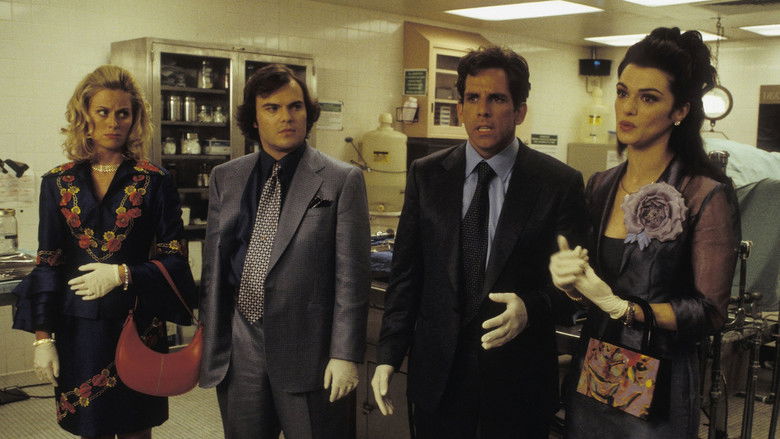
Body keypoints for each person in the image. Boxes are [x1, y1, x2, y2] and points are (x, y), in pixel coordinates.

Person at [371, 46, 588, 438]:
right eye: (472, 98)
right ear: (459, 109)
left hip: (517, 385)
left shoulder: (558, 183)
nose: (482, 111)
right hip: (438, 381)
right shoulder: (427, 175)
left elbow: (575, 289)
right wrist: (388, 355)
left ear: (520, 111)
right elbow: (406, 277)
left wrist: (531, 307)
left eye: (497, 99)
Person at [549, 27, 740, 438]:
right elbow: (599, 280)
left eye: (648, 98)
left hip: (660, 381)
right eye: (622, 92)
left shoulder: (703, 193)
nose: (628, 108)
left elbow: (710, 311)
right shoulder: (601, 185)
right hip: (598, 368)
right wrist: (573, 285)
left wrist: (625, 309)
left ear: (680, 110)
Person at [11, 65, 197, 439]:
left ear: (135, 118)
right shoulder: (57, 181)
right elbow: (48, 263)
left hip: (138, 325)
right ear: (85, 116)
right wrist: (43, 337)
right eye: (103, 111)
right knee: (91, 429)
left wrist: (123, 274)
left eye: (123, 113)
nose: (113, 122)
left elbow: (175, 260)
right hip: (77, 329)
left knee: (135, 428)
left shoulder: (154, 181)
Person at [198, 64, 370, 439]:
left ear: (308, 112)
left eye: (295, 106)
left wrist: (345, 354)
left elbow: (352, 279)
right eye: (272, 108)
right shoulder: (226, 177)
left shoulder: (341, 179)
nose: (286, 117)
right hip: (240, 346)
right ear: (254, 118)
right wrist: (208, 339)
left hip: (310, 352)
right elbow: (214, 270)